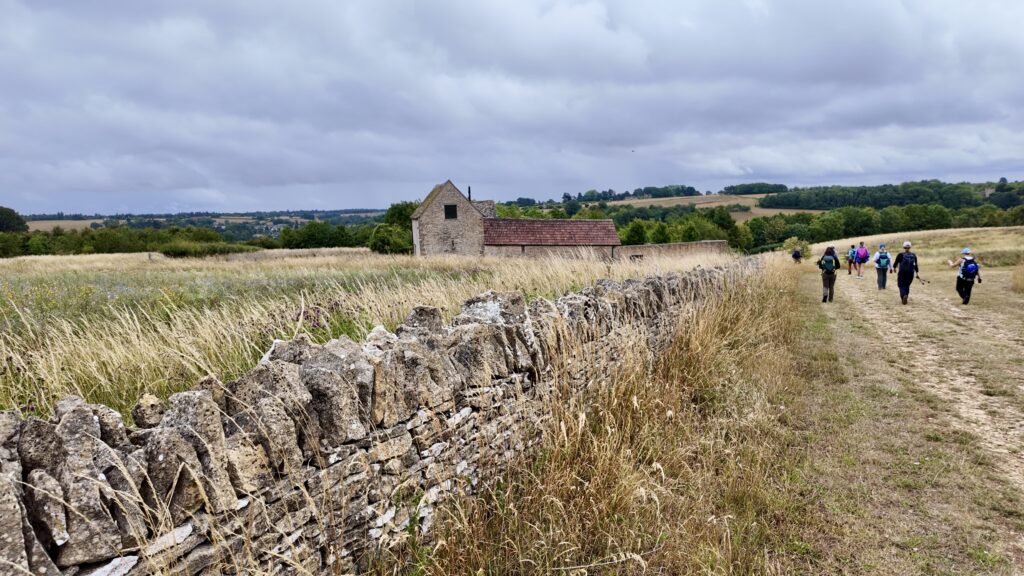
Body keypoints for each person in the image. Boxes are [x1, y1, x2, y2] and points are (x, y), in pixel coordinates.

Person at [892, 240, 919, 305]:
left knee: (901, 285)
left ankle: (903, 295)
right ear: (910, 247)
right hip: (910, 273)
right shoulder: (913, 255)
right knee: (907, 285)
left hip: (902, 272)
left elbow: (895, 264)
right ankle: (906, 295)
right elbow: (915, 265)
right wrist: (917, 273)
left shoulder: (900, 255)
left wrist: (894, 268)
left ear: (903, 247)